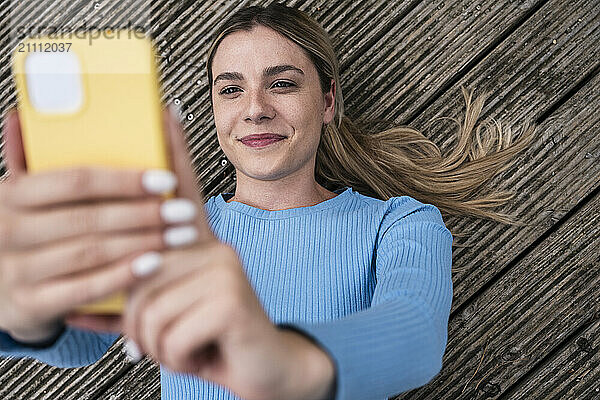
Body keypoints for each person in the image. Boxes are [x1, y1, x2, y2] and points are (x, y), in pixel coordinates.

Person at [0, 3, 536, 400]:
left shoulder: (399, 226)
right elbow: (80, 343)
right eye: (230, 89)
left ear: (326, 102)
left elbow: (415, 334)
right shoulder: (169, 228)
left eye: (281, 83)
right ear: (212, 109)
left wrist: (285, 363)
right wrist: (27, 316)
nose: (254, 109)